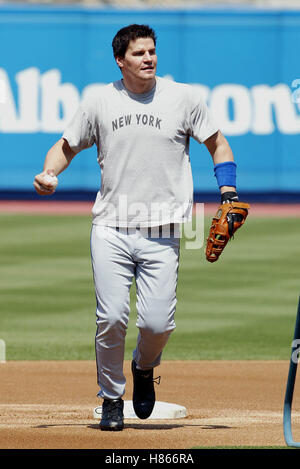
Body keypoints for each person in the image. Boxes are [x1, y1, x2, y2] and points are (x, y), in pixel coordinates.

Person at [33, 24, 239, 432]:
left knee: (158, 324)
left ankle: (144, 367)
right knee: (111, 317)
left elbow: (217, 143)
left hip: (162, 231)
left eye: (152, 51)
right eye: (139, 53)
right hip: (111, 226)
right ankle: (111, 397)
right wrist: (48, 172)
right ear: (120, 61)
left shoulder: (183, 98)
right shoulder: (100, 101)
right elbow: (66, 146)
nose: (148, 58)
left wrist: (228, 193)